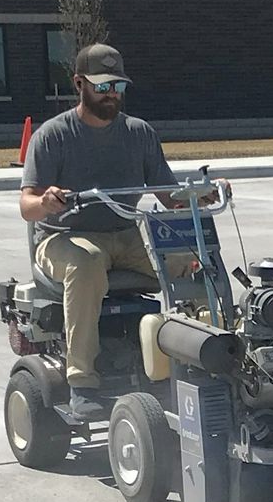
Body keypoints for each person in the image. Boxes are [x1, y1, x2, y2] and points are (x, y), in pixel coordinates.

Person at [18, 48, 178, 414]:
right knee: (86, 263)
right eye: (103, 86)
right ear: (79, 84)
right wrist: (47, 201)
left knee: (188, 260)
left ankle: (197, 362)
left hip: (125, 234)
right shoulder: (53, 135)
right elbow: (27, 206)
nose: (112, 95)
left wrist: (204, 194)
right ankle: (82, 382)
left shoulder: (139, 133)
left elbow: (170, 196)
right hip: (62, 237)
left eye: (118, 86)